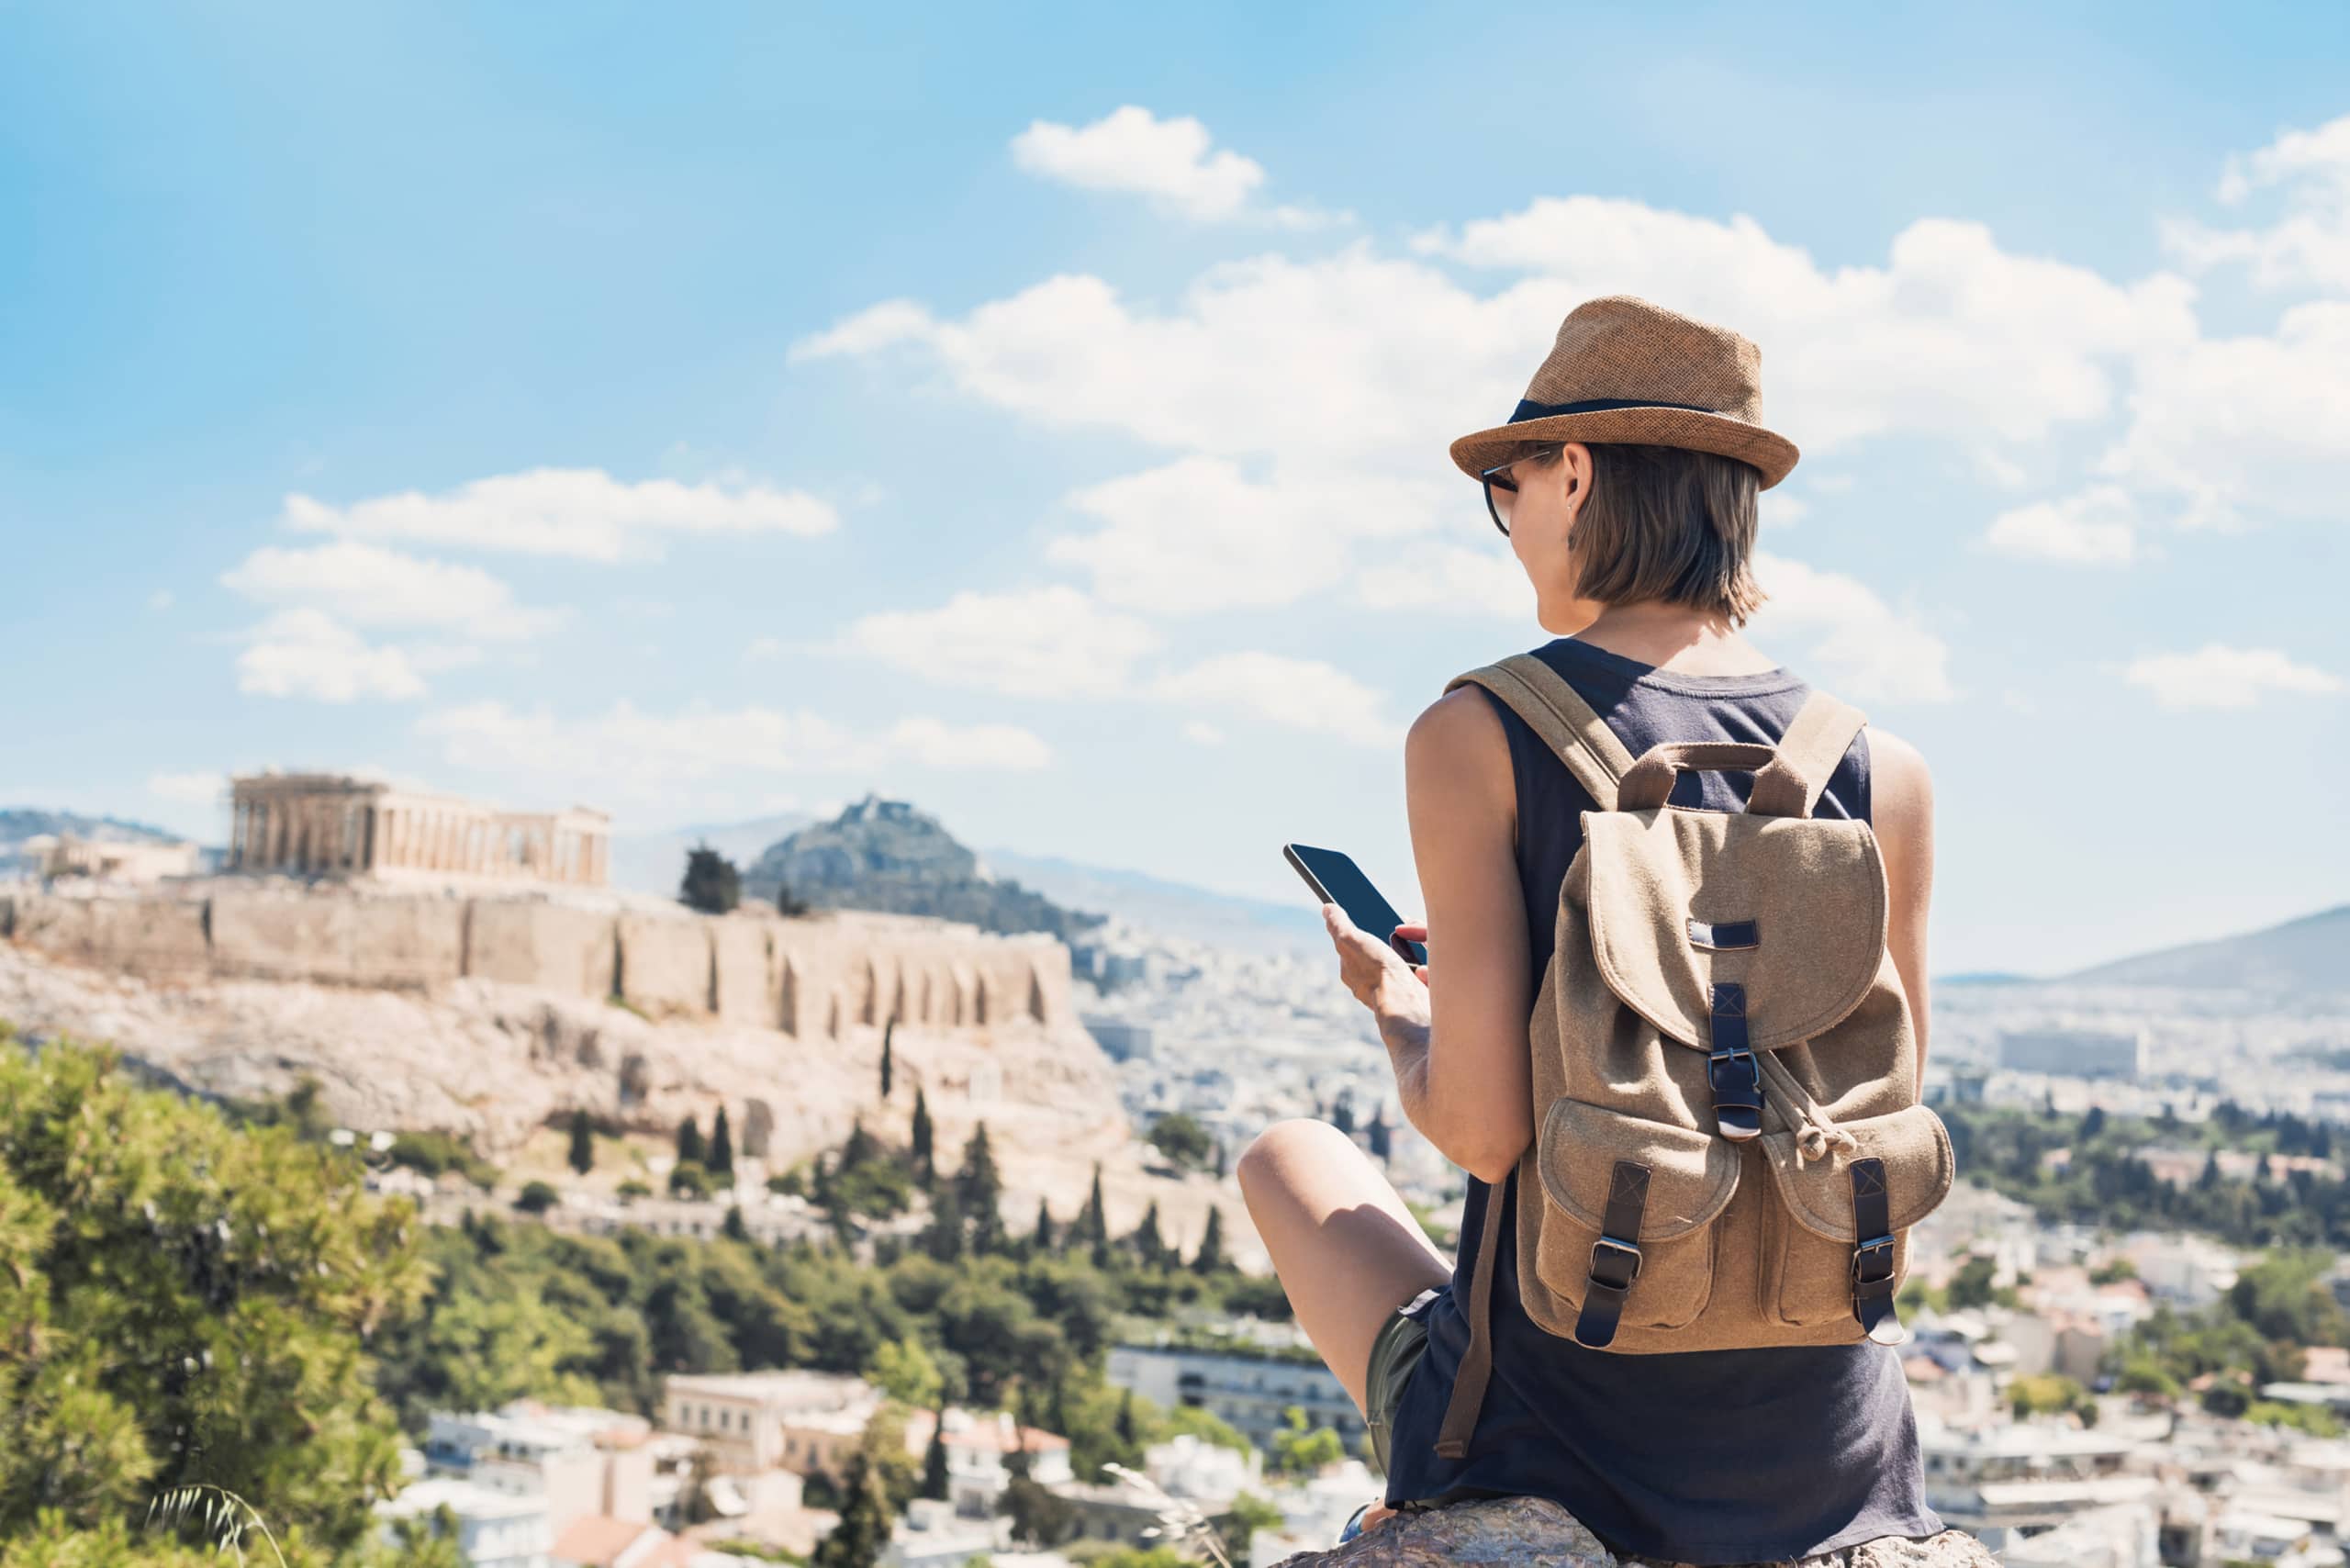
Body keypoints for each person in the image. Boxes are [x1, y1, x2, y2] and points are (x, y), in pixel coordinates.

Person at [1237, 297, 1991, 1567]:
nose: (1507, 520)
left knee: (1286, 1158)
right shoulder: (1882, 768)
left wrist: (1409, 1018)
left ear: (1573, 471)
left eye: (1506, 485)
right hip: (1831, 1456)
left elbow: (1482, 1133)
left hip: (1560, 1438)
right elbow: (1888, 1099)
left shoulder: (1479, 733)